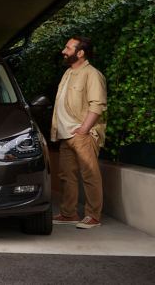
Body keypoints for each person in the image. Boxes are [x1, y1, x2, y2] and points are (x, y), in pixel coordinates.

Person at [51, 36, 107, 229]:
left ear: (80, 53)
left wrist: (84, 129)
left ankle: (93, 216)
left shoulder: (92, 74)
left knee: (90, 175)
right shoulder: (68, 72)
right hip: (66, 134)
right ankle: (69, 213)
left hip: (82, 134)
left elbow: (97, 105)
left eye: (68, 48)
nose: (64, 51)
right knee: (67, 176)